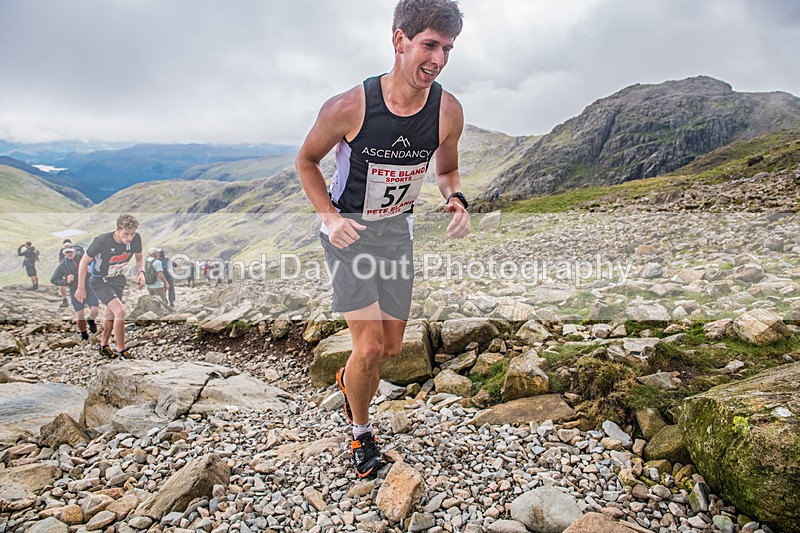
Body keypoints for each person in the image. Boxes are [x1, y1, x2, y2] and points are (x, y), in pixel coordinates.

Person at [296, 0, 470, 479]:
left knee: (393, 348)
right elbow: (306, 161)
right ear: (400, 40)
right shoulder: (349, 107)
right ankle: (362, 434)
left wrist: (456, 199)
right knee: (369, 346)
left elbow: (448, 170)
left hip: (396, 233)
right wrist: (329, 218)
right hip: (348, 234)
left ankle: (349, 379)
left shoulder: (447, 110)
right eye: (429, 45)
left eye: (447, 48)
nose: (438, 59)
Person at [75, 214, 144, 359]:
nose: (129, 238)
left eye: (132, 234)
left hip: (118, 279)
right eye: (126, 234)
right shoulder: (101, 241)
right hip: (100, 281)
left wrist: (141, 272)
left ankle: (103, 346)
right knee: (120, 311)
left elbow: (139, 258)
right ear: (118, 229)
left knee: (110, 314)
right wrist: (80, 287)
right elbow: (83, 262)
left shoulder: (136, 239)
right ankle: (122, 351)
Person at [50, 244, 99, 341]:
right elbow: (54, 280)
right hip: (75, 290)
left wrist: (91, 269)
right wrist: (66, 281)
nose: (69, 254)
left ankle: (90, 320)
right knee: (80, 314)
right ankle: (84, 334)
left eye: (71, 251)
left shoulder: (83, 258)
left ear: (75, 251)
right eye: (67, 252)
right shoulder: (63, 265)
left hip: (89, 288)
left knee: (95, 310)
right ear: (64, 253)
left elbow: (98, 264)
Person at [57, 239, 85, 307]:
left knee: (62, 283)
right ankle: (83, 299)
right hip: (79, 268)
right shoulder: (78, 249)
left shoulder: (62, 251)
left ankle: (64, 299)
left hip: (68, 269)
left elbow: (59, 260)